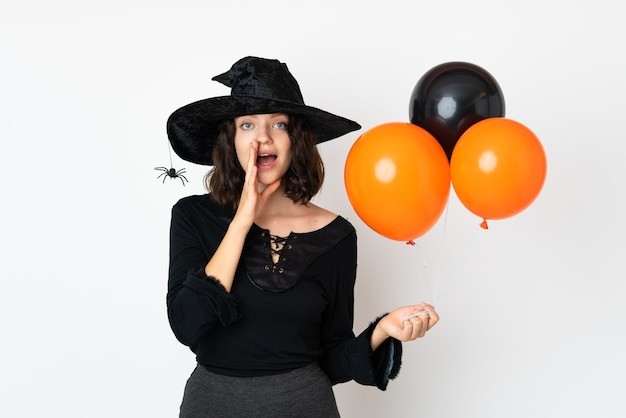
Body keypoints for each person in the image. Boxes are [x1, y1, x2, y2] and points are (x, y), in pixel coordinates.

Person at [165, 56, 439, 417]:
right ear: (231, 138)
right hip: (212, 405)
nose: (262, 137)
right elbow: (188, 324)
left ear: (296, 139)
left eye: (278, 124)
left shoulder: (338, 236)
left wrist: (382, 331)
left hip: (306, 406)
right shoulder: (192, 216)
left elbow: (333, 359)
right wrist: (242, 221)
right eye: (247, 124)